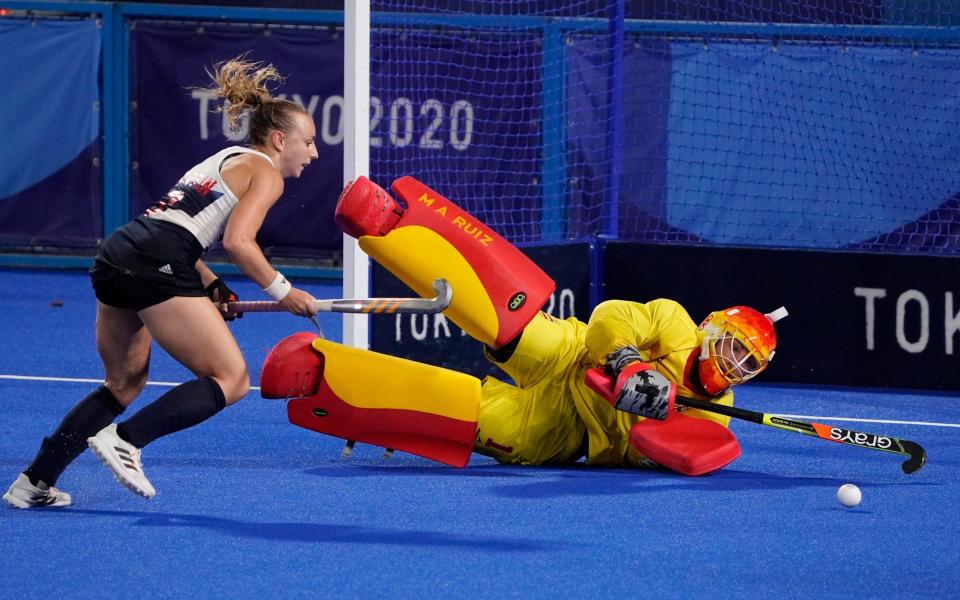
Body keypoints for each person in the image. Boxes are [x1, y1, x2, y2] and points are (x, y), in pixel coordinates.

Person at [3, 55, 320, 508]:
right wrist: (284, 291)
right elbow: (239, 242)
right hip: (157, 262)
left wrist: (212, 286)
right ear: (278, 139)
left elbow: (180, 229)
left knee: (124, 381)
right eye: (307, 142)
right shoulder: (267, 173)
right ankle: (127, 441)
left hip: (120, 253)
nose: (314, 152)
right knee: (231, 379)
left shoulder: (225, 158)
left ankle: (34, 482)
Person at [473, 300, 786, 470]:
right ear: (711, 328)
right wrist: (626, 361)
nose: (735, 363)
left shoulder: (713, 419)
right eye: (734, 346)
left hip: (571, 429)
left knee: (470, 415)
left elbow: (641, 454)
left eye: (748, 363)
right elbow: (611, 315)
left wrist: (653, 419)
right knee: (506, 321)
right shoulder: (673, 321)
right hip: (571, 352)